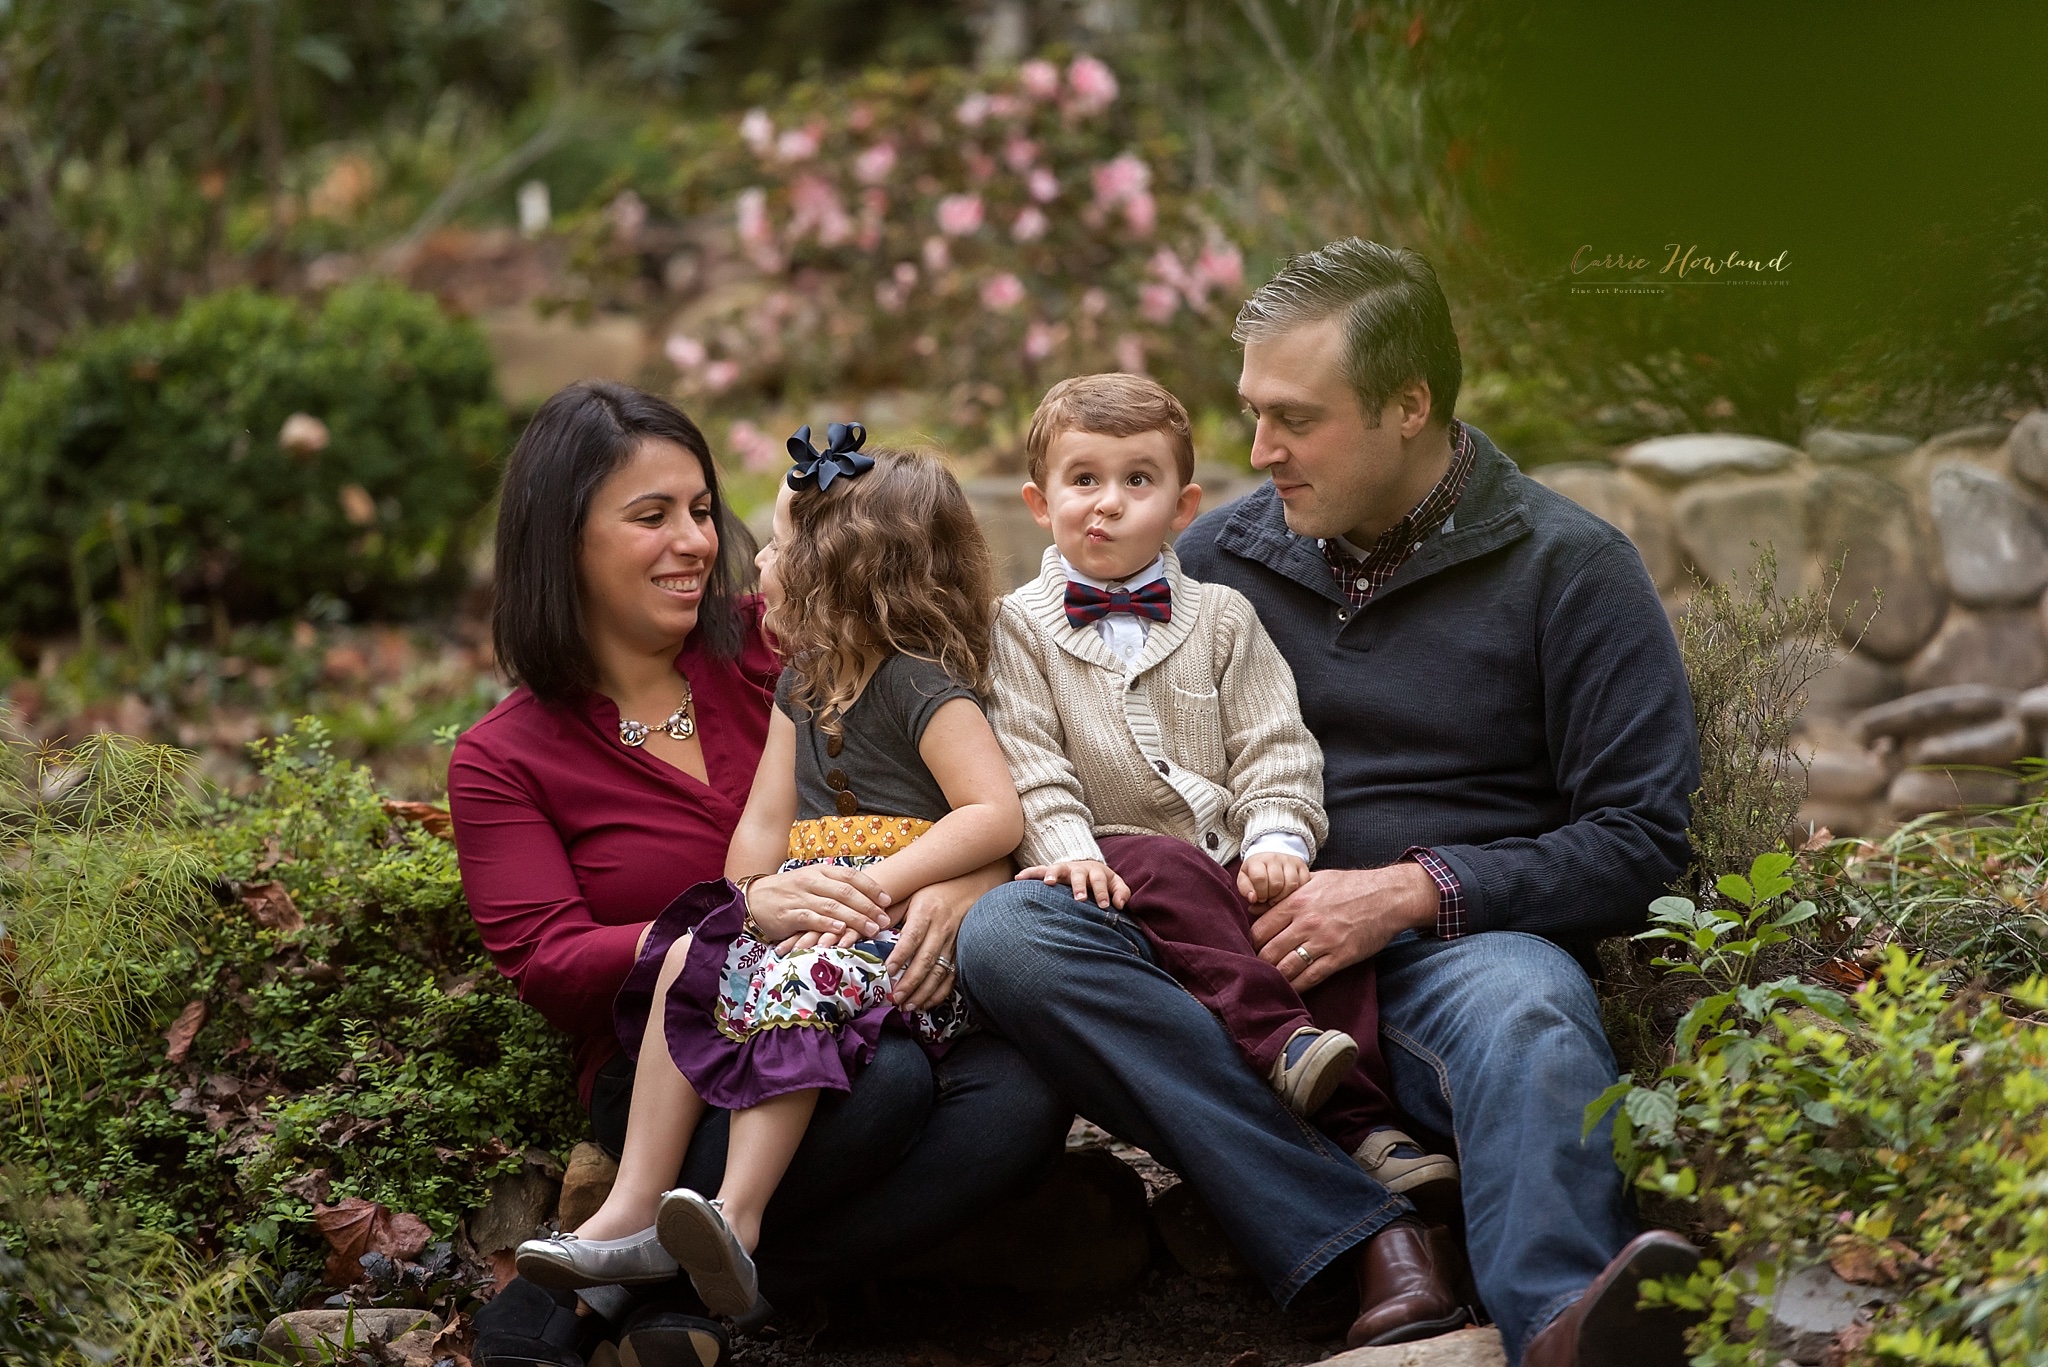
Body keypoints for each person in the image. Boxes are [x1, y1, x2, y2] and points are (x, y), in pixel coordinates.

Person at [955, 238, 1701, 1365]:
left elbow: (1641, 834)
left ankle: (1553, 1319)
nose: (1261, 451)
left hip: (1451, 951)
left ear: (1407, 406)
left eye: (1294, 420)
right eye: (1253, 413)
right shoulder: (1212, 560)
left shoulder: (1571, 569)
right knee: (1012, 932)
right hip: (1218, 934)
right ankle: (1368, 1238)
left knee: (1531, 1012)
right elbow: (1041, 725)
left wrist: (1411, 891)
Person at [449, 385, 1067, 1367]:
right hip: (682, 1059)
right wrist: (737, 913)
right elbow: (547, 960)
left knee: (1021, 1094)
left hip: (865, 980)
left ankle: (675, 1293)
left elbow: (964, 768)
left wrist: (969, 878)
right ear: (561, 538)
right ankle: (683, 1280)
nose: (695, 542)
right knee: (887, 1087)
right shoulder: (505, 754)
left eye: (701, 510)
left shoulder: (790, 645)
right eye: (651, 516)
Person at [985, 373, 1460, 1217]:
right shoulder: (1016, 626)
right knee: (1168, 863)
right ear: (1037, 500)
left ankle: (1370, 1128)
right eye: (1083, 479)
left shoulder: (1225, 617)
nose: (1107, 503)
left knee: (1314, 926)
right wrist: (1069, 853)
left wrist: (1278, 835)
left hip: (1230, 856)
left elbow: (1273, 741)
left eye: (1138, 481)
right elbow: (1028, 763)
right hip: (1116, 863)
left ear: (1183, 506)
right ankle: (1280, 1042)